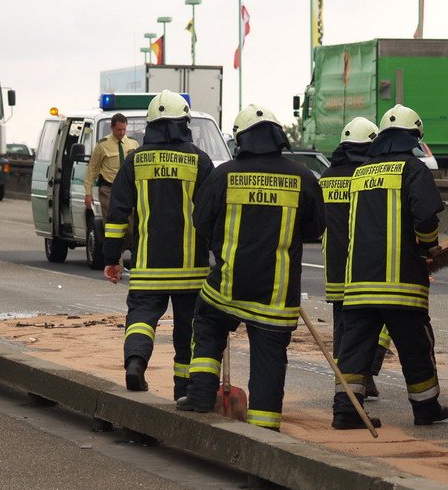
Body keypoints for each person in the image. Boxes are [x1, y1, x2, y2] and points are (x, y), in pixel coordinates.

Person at [178, 104, 324, 431]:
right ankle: (265, 429)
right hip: (277, 294)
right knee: (269, 359)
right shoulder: (302, 176)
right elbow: (316, 229)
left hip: (228, 286)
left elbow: (200, 221)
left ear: (241, 140)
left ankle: (201, 394)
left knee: (206, 324)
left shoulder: (223, 175)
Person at [333, 104, 448, 429]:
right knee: (415, 346)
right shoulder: (413, 170)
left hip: (358, 283)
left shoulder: (360, 173)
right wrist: (428, 246)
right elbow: (426, 217)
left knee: (353, 349)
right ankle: (426, 408)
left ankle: (345, 410)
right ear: (412, 137)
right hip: (401, 283)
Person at [102, 90, 214, 396]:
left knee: (140, 319)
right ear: (185, 123)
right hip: (191, 270)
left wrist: (112, 258)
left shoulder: (134, 161)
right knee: (187, 330)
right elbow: (213, 216)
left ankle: (135, 363)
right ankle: (184, 390)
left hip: (147, 267)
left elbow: (117, 215)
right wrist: (221, 258)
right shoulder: (200, 162)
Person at [319, 116, 388, 400]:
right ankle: (365, 373)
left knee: (343, 325)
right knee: (379, 321)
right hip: (366, 266)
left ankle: (345, 378)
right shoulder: (370, 177)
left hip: (335, 267)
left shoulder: (326, 178)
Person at [84, 113, 139, 222]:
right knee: (112, 221)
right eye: (119, 130)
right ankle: (111, 239)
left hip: (129, 189)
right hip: (109, 190)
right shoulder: (102, 145)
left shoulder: (133, 143)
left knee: (131, 224)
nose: (122, 133)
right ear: (112, 128)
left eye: (124, 129)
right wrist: (88, 194)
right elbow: (92, 170)